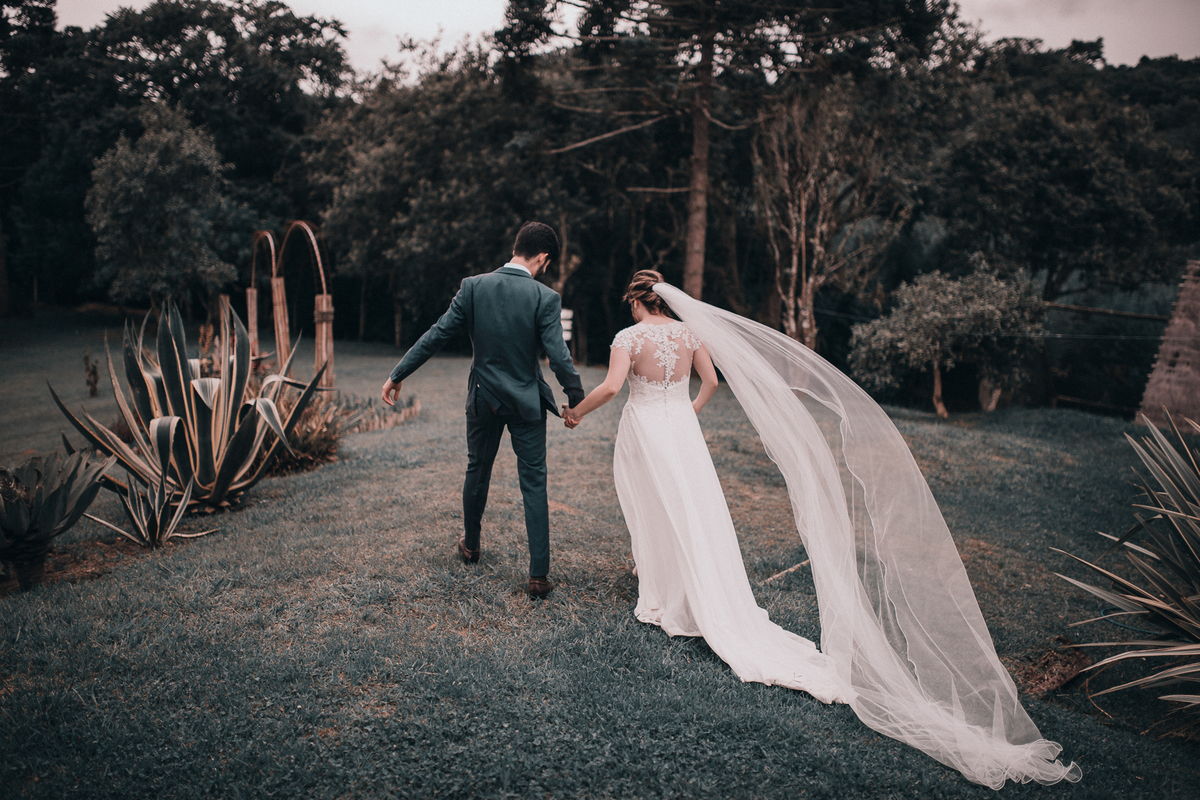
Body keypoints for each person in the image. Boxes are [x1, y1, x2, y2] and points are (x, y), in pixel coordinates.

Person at [563, 270, 1081, 789]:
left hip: (647, 430)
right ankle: (685, 589)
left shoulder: (628, 339)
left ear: (634, 302)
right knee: (695, 511)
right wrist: (685, 413)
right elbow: (713, 384)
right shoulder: (688, 333)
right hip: (680, 430)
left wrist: (575, 415)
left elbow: (611, 386)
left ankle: (664, 594)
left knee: (653, 507)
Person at [382, 222, 584, 598]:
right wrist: (576, 398)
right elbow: (559, 357)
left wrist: (398, 373)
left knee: (478, 469)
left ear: (515, 247)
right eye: (545, 263)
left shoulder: (473, 287)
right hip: (526, 404)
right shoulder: (545, 297)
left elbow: (437, 334)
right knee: (534, 483)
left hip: (483, 399)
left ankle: (471, 545)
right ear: (542, 258)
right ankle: (538, 576)